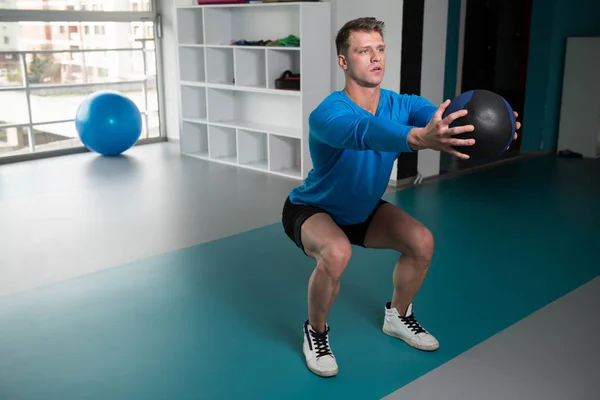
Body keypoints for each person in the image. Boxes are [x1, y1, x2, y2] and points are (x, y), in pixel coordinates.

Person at [281, 17, 520, 378]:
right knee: (337, 253)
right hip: (313, 207)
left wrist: (492, 125)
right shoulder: (328, 113)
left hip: (361, 210)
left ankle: (398, 315)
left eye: (379, 49)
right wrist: (419, 138)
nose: (375, 58)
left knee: (422, 241)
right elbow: (365, 131)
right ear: (344, 62)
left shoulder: (402, 104)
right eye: (363, 51)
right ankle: (315, 333)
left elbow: (446, 118)